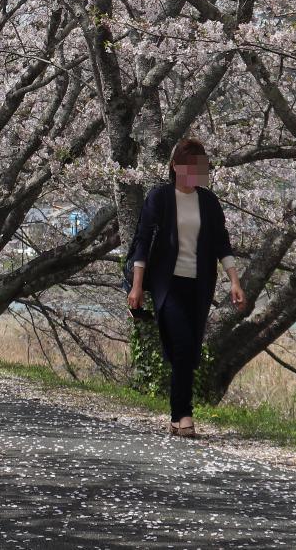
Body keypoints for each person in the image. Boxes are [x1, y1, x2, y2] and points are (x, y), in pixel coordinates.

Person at [125, 137, 246, 438]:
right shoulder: (160, 197)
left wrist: (234, 280)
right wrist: (137, 287)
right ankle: (184, 415)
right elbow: (142, 242)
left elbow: (222, 242)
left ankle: (177, 417)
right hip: (169, 283)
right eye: (189, 166)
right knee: (181, 344)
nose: (195, 173)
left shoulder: (208, 201)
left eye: (200, 167)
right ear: (175, 166)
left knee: (190, 350)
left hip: (199, 283)